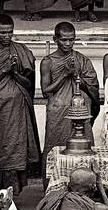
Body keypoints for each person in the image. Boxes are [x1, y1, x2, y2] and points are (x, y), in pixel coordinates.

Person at [0, 14, 41, 198]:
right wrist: (3, 70)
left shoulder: (21, 51)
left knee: (15, 149)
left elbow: (28, 84)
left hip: (17, 110)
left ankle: (13, 197)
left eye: (10, 32)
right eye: (2, 32)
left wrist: (14, 72)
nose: (7, 36)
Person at [41, 22, 100, 158]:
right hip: (58, 112)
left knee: (83, 150)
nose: (68, 43)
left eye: (71, 39)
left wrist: (76, 76)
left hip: (80, 111)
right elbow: (45, 91)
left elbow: (93, 87)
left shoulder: (82, 60)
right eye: (64, 40)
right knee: (55, 148)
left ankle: (84, 179)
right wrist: (65, 75)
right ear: (55, 39)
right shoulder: (48, 62)